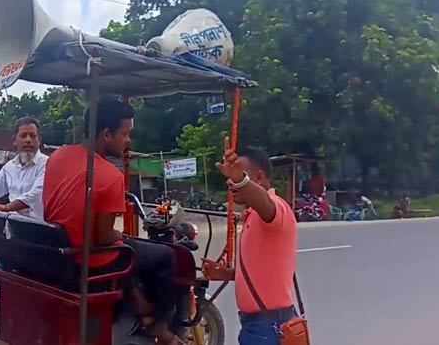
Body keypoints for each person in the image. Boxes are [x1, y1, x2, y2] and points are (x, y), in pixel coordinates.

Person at [43, 98, 180, 345]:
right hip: (86, 260)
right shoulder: (110, 176)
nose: (128, 141)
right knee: (165, 256)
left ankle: (139, 306)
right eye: (125, 134)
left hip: (56, 253)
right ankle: (159, 325)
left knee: (130, 250)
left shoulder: (57, 156)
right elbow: (105, 237)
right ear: (106, 134)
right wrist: (124, 238)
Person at [202, 140, 298, 345]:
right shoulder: (252, 214)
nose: (230, 183)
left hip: (268, 326)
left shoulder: (275, 208)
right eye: (230, 178)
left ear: (260, 178)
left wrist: (240, 180)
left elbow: (263, 201)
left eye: (240, 175)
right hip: (260, 325)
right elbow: (262, 272)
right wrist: (226, 273)